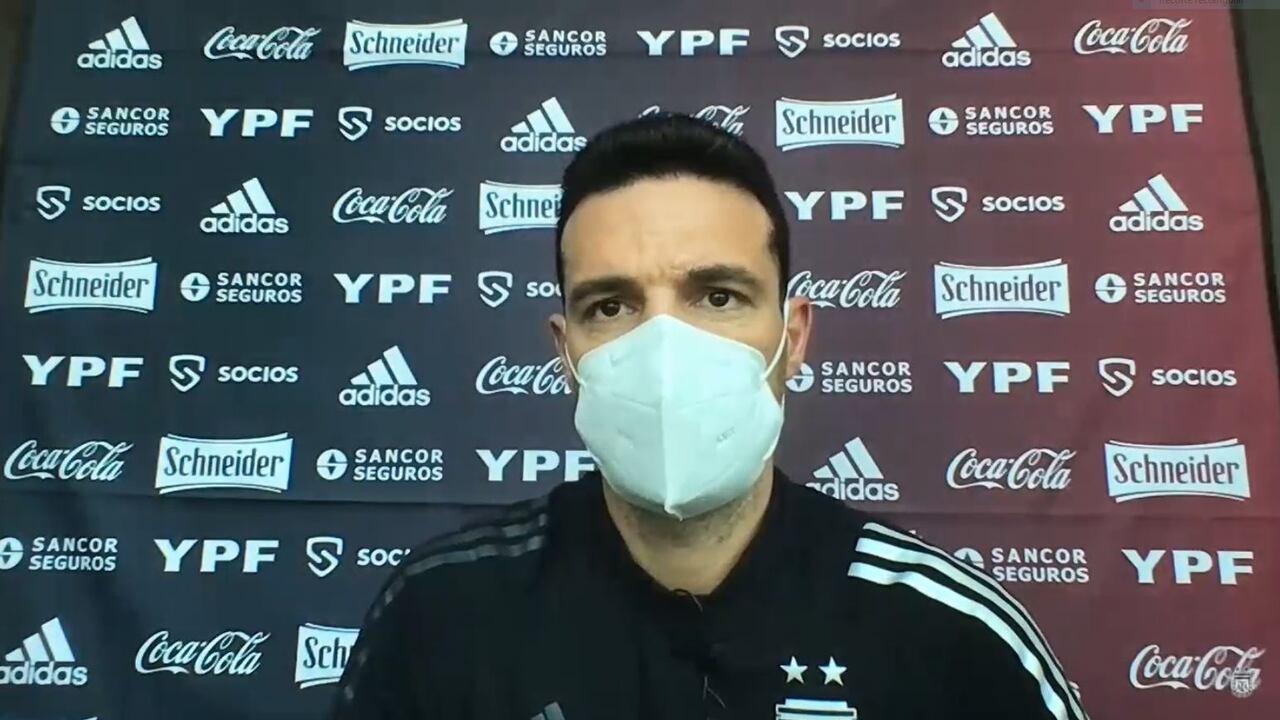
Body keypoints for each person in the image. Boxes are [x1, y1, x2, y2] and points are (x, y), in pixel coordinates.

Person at [331, 113, 1089, 720]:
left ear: (793, 339)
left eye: (718, 296)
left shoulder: (950, 636)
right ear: (566, 353)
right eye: (611, 305)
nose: (665, 348)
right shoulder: (442, 616)